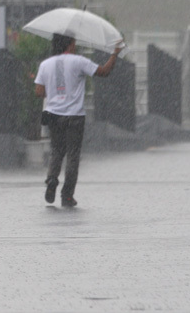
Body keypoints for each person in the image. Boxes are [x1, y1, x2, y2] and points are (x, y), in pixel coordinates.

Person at [34, 32, 124, 207]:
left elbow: (38, 92)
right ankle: (67, 195)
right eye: (74, 42)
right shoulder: (79, 61)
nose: (75, 45)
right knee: (73, 155)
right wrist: (115, 53)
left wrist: (54, 92)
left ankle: (52, 179)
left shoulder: (46, 64)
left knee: (56, 151)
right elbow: (104, 72)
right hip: (74, 116)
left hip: (53, 115)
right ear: (70, 44)